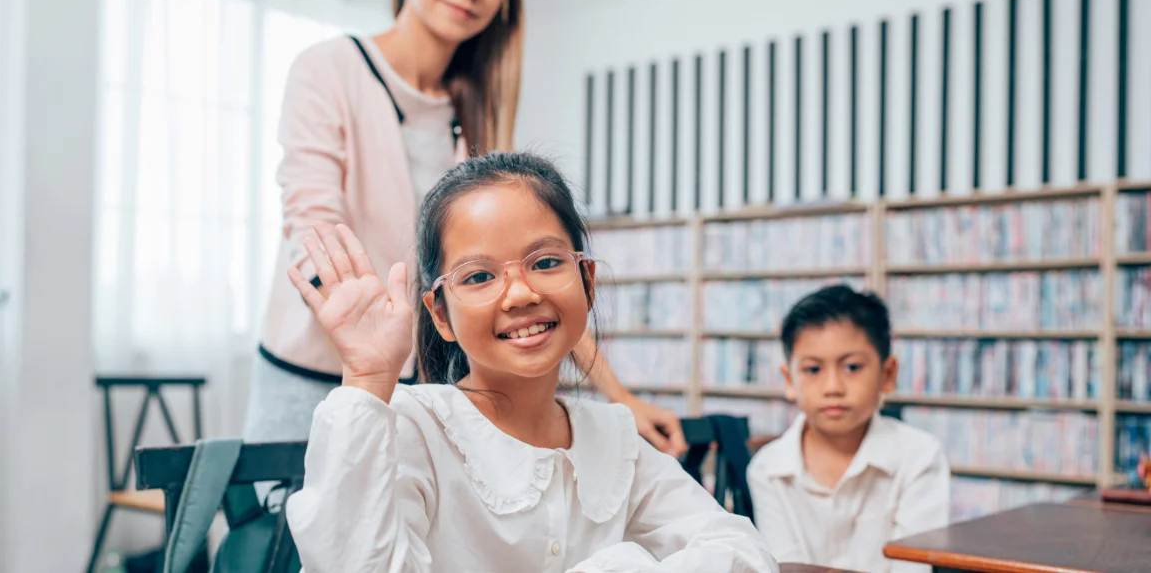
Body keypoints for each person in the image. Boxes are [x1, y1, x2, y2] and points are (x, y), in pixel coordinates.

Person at [249, 0, 685, 455]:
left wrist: (619, 397)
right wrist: (369, 353)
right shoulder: (330, 67)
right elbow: (312, 222)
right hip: (318, 371)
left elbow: (531, 275)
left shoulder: (477, 109)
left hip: (423, 386)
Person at [284, 153, 778, 572]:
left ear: (587, 281)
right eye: (478, 277)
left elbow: (742, 551)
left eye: (545, 263)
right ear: (440, 313)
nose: (520, 294)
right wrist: (368, 378)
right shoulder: (415, 425)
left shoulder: (612, 436)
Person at [748, 284, 950, 573]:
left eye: (852, 367)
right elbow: (786, 567)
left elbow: (914, 569)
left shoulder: (920, 456)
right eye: (813, 370)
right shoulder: (767, 468)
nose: (833, 388)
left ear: (887, 374)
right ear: (789, 380)